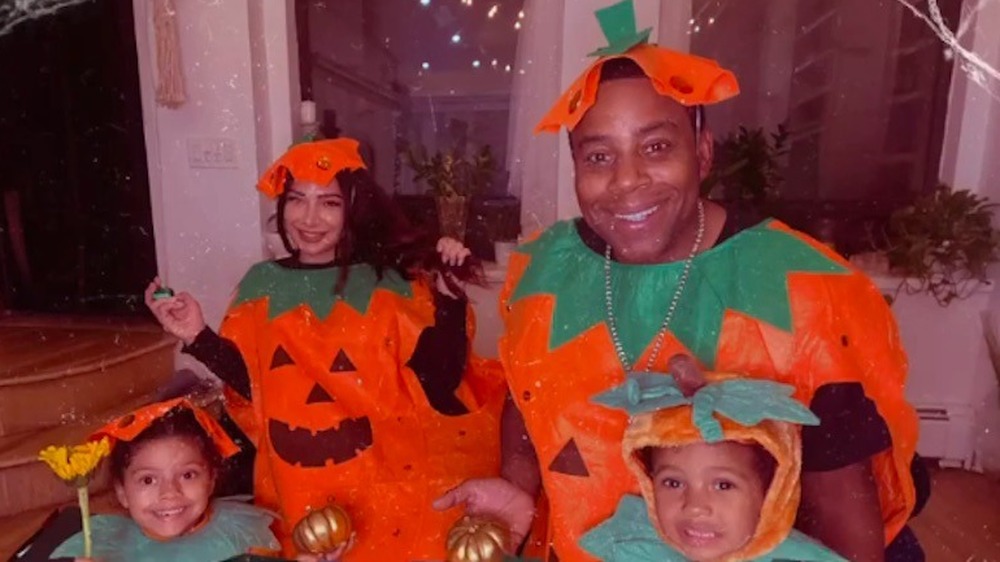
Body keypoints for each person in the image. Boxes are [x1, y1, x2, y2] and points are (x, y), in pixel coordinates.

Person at [435, 2, 925, 561]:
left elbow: (846, 530)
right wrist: (520, 487)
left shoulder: (800, 290)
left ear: (704, 152)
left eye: (656, 146)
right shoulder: (543, 273)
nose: (626, 181)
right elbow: (526, 398)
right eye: (599, 156)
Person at [145, 138, 506, 560]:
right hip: (301, 487)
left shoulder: (389, 282)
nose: (310, 218)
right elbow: (257, 384)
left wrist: (448, 300)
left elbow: (437, 384)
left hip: (389, 490)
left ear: (352, 210)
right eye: (298, 199)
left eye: (329, 203)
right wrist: (197, 335)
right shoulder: (261, 285)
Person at [580, 364, 845, 561]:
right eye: (672, 482)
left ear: (771, 494)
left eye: (723, 485)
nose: (695, 507)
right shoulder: (635, 550)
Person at [19, 398, 282, 562]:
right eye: (148, 480)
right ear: (122, 491)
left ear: (212, 479)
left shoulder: (240, 537)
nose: (169, 492)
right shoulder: (104, 547)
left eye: (188, 475)